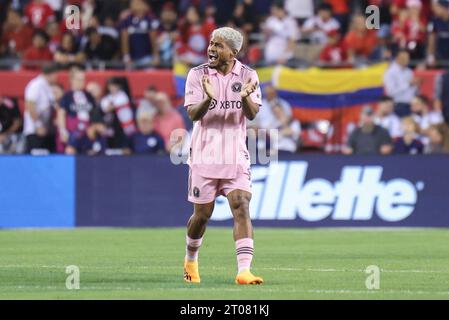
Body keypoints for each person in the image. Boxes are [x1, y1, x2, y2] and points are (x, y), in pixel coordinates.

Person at [183, 27, 263, 285]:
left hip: (235, 155)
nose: (211, 49)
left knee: (241, 204)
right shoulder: (197, 74)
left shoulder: (249, 75)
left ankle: (244, 271)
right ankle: (191, 260)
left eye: (218, 45)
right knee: (202, 216)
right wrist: (208, 98)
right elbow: (193, 115)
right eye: (211, 43)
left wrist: (246, 97)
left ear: (233, 51)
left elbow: (251, 114)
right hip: (204, 155)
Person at [57, 69, 103, 155]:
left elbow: (94, 113)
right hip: (73, 131)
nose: (81, 82)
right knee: (70, 151)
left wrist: (96, 125)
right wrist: (63, 131)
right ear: (71, 80)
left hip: (88, 131)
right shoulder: (67, 96)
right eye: (79, 79)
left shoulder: (88, 96)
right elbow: (61, 114)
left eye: (83, 79)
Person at [23, 63, 58, 153]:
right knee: (36, 156)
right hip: (35, 130)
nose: (57, 77)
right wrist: (38, 125)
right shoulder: (36, 85)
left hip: (46, 129)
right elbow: (30, 105)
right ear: (50, 74)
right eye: (56, 74)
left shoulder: (48, 86)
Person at [383, 50, 422, 117]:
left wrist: (416, 85)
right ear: (397, 58)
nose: (406, 59)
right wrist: (408, 84)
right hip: (399, 105)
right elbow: (391, 92)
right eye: (403, 57)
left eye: (407, 57)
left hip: (412, 104)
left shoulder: (409, 71)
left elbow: (412, 90)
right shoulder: (390, 72)